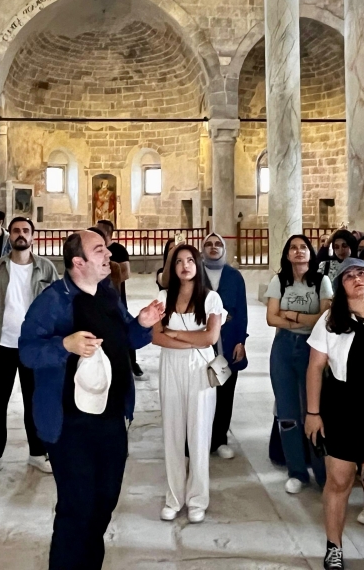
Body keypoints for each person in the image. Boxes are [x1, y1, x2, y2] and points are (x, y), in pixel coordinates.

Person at [18, 230, 165, 569]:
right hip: (70, 424)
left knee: (105, 500)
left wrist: (142, 324)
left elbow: (126, 338)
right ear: (78, 262)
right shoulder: (53, 301)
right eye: (99, 250)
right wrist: (64, 345)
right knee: (76, 508)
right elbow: (27, 351)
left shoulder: (108, 294)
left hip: (111, 418)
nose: (108, 254)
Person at [305, 258, 364, 570]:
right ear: (341, 286)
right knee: (338, 481)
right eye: (349, 276)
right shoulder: (330, 320)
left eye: (362, 273)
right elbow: (315, 368)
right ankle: (334, 546)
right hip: (341, 407)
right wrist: (313, 412)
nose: (357, 278)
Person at [0, 217, 59, 480]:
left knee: (35, 403)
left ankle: (38, 452)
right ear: (9, 235)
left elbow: (58, 309)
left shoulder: (46, 268)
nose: (20, 235)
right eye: (16, 231)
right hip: (1, 347)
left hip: (35, 349)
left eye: (25, 231)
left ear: (33, 236)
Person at [152, 244, 223, 523]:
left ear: (198, 264)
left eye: (190, 260)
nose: (185, 266)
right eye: (179, 261)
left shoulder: (210, 298)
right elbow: (156, 336)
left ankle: (197, 499)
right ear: (172, 267)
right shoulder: (162, 296)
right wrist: (190, 339)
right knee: (172, 433)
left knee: (199, 434)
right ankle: (174, 497)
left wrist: (175, 334)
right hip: (170, 365)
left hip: (200, 369)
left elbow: (210, 338)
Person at [266, 234, 333, 493]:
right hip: (283, 347)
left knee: (313, 411)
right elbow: (271, 318)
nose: (298, 251)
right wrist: (305, 319)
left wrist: (291, 315)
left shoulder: (322, 281)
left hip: (312, 348)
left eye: (303, 247)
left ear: (310, 252)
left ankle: (322, 473)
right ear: (287, 254)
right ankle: (297, 472)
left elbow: (323, 319)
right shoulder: (279, 281)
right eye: (293, 248)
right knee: (288, 413)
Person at [200, 232, 248, 459]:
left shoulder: (234, 276)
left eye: (218, 244)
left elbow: (242, 311)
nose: (214, 247)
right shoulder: (196, 273)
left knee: (225, 392)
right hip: (200, 342)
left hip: (228, 343)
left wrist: (241, 341)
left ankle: (220, 439)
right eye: (209, 244)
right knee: (201, 391)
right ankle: (199, 438)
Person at [96, 220, 144, 380]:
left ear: (106, 233)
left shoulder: (119, 250)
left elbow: (126, 273)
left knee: (125, 327)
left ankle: (132, 362)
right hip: (98, 297)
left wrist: (109, 278)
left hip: (116, 296)